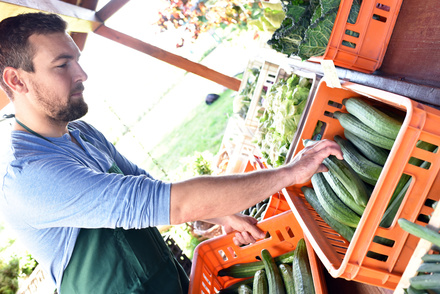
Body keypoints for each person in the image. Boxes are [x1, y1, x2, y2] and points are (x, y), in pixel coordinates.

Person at [0, 12, 343, 294]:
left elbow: (145, 184)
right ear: (16, 81)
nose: (82, 74)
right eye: (62, 65)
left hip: (169, 281)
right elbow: (173, 204)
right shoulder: (30, 178)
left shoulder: (80, 133)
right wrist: (290, 173)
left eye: (77, 60)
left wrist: (221, 214)